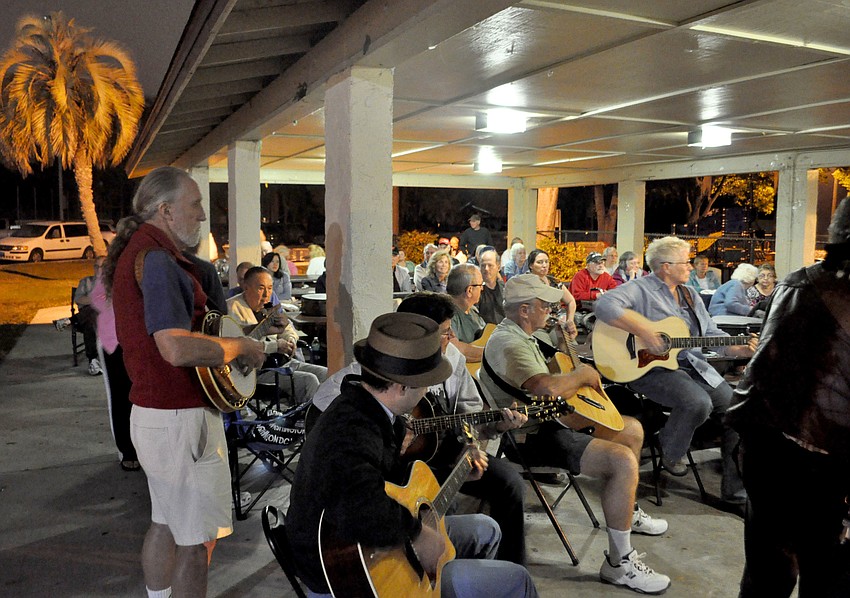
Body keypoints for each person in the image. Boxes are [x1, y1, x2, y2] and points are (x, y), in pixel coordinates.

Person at [286, 311, 539, 598]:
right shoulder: (351, 428)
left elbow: (391, 487)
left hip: (367, 543)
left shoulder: (371, 409)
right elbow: (359, 505)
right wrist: (417, 534)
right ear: (402, 386)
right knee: (518, 580)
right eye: (426, 381)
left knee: (486, 528)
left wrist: (458, 474)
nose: (429, 389)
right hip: (347, 571)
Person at [106, 166, 270, 598]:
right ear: (167, 211)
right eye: (195, 204)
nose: (202, 215)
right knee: (197, 543)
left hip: (159, 415)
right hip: (179, 417)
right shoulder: (158, 261)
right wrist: (242, 350)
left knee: (166, 522)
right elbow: (175, 348)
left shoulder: (147, 253)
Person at [478, 274, 671, 594]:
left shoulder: (521, 334)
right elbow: (546, 386)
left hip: (550, 422)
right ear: (524, 310)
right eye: (545, 306)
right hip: (528, 437)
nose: (552, 309)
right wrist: (582, 374)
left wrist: (560, 337)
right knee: (622, 460)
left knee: (632, 430)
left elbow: (552, 370)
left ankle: (627, 512)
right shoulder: (510, 342)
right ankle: (618, 564)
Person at [726, 197, 850, 598]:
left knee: (768, 571)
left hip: (766, 445)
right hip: (820, 457)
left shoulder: (798, 281)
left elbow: (759, 372)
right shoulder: (803, 287)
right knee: (826, 571)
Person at [594, 236, 757, 504]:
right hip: (646, 367)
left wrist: (739, 349)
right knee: (697, 402)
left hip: (691, 366)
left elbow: (711, 334)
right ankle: (669, 450)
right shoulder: (640, 289)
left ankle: (735, 493)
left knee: (738, 411)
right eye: (687, 262)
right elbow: (604, 306)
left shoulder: (690, 295)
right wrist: (645, 331)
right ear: (666, 266)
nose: (691, 266)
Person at [227, 267, 327, 404]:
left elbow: (287, 327)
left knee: (327, 374)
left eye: (269, 288)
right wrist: (275, 346)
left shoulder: (268, 305)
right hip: (258, 370)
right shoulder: (233, 308)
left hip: (283, 361)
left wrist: (290, 339)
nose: (266, 294)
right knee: (308, 381)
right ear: (246, 287)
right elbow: (242, 345)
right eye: (261, 288)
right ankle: (310, 421)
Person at [91, 257, 138, 471]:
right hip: (113, 342)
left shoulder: (143, 264)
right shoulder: (110, 268)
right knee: (120, 398)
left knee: (138, 396)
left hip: (138, 341)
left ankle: (140, 448)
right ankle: (126, 450)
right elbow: (97, 299)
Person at [526, 249, 577, 334]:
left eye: (546, 262)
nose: (544, 265)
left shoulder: (554, 282)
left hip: (559, 325)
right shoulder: (526, 282)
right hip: (537, 326)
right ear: (531, 265)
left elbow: (571, 301)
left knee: (570, 342)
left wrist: (570, 320)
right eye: (540, 262)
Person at [447, 263, 486, 363]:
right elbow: (453, 348)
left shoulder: (473, 311)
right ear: (469, 290)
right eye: (480, 285)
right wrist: (493, 353)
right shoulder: (447, 314)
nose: (482, 289)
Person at [73, 267, 102, 375]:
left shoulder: (111, 283)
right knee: (90, 317)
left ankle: (72, 320)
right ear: (95, 268)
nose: (101, 269)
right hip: (88, 317)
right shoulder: (86, 282)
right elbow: (79, 299)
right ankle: (93, 360)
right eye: (99, 267)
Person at [477, 247, 505, 325]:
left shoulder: (505, 288)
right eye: (483, 265)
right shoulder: (475, 290)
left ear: (498, 267)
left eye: (490, 265)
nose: (486, 269)